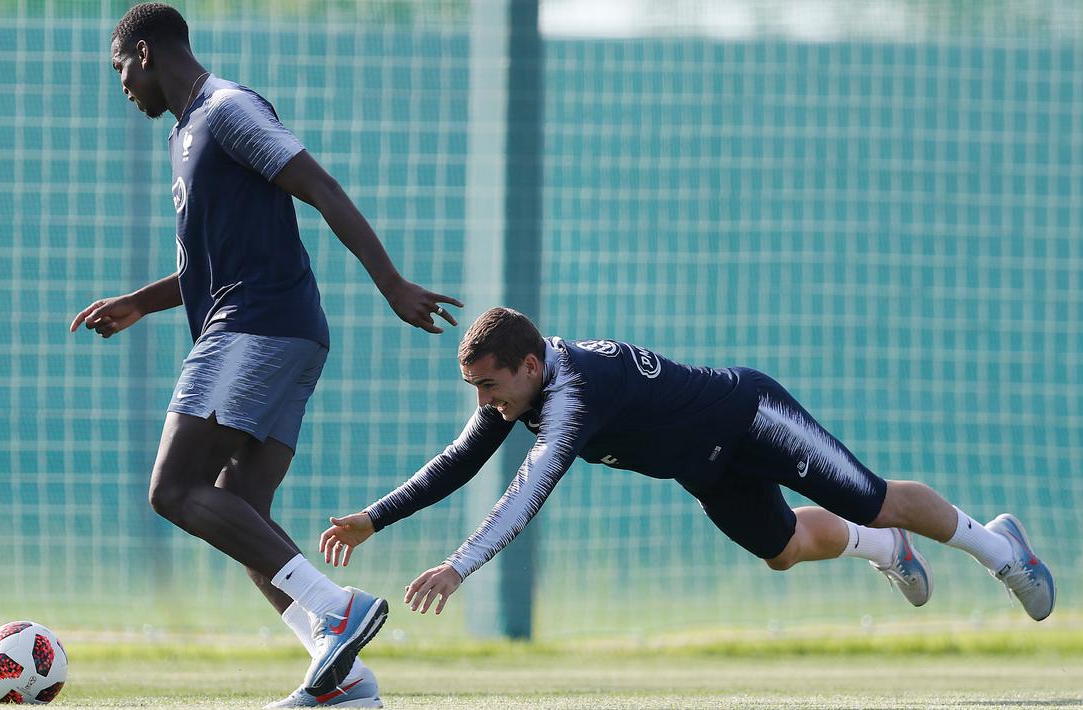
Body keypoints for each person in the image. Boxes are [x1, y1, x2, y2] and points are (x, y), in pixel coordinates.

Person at [70, 4, 463, 706]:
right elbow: (209, 262)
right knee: (240, 512)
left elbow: (320, 187)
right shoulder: (187, 134)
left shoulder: (226, 110)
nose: (122, 84)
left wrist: (391, 283)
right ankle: (340, 678)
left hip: (254, 328)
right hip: (282, 330)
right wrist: (140, 301)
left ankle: (338, 612)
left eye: (120, 67)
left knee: (171, 489)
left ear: (146, 51)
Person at [320, 307, 1055, 625]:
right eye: (473, 389)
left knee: (869, 496)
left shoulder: (572, 396)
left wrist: (457, 564)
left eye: (488, 385)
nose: (483, 403)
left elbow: (529, 487)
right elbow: (457, 461)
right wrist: (374, 518)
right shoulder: (516, 394)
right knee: (784, 551)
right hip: (704, 468)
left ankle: (998, 548)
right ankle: (886, 551)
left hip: (751, 418)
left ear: (528, 364)